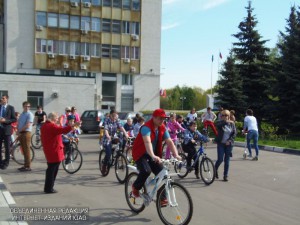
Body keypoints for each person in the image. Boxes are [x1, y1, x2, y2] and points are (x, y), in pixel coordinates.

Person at [131, 109, 181, 205]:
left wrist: (176, 155)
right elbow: (147, 142)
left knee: (164, 174)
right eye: (160, 118)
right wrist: (153, 155)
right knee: (146, 171)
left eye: (163, 119)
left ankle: (161, 198)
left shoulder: (162, 127)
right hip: (141, 154)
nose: (162, 121)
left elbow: (169, 141)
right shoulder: (146, 128)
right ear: (153, 117)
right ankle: (135, 188)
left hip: (153, 155)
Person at [41, 112, 81, 194]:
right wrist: (73, 125)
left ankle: (48, 187)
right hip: (54, 150)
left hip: (49, 149)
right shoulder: (51, 126)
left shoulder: (45, 125)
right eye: (56, 118)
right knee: (52, 170)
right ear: (52, 118)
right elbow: (63, 130)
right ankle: (49, 188)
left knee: (51, 169)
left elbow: (60, 130)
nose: (57, 119)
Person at [101, 109, 128, 173]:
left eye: (115, 116)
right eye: (113, 116)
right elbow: (106, 129)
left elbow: (121, 127)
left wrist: (126, 134)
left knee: (121, 142)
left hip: (114, 137)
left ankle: (118, 155)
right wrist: (107, 135)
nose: (114, 117)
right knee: (108, 154)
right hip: (107, 138)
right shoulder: (106, 120)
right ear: (110, 115)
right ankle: (104, 165)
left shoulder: (117, 120)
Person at [214, 110, 236, 182]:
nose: (224, 117)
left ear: (229, 116)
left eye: (226, 115)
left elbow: (234, 133)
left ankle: (225, 175)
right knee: (220, 159)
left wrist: (229, 140)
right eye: (223, 115)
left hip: (229, 144)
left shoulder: (232, 124)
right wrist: (226, 122)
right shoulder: (219, 122)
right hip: (221, 143)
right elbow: (218, 126)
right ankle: (215, 169)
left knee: (227, 160)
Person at [0, 94, 17, 170]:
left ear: (7, 99)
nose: (2, 99)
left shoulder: (11, 108)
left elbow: (14, 119)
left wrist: (6, 121)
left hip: (7, 130)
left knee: (7, 147)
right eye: (1, 98)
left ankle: (6, 162)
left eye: (3, 98)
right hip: (0, 130)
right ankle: (0, 161)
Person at [16, 101, 34, 171]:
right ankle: (25, 165)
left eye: (28, 106)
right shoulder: (22, 114)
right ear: (23, 106)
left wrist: (19, 130)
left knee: (27, 150)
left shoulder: (30, 114)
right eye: (26, 106)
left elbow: (28, 125)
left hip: (26, 133)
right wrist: (18, 131)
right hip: (21, 133)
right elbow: (19, 123)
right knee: (23, 150)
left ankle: (28, 166)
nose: (27, 108)